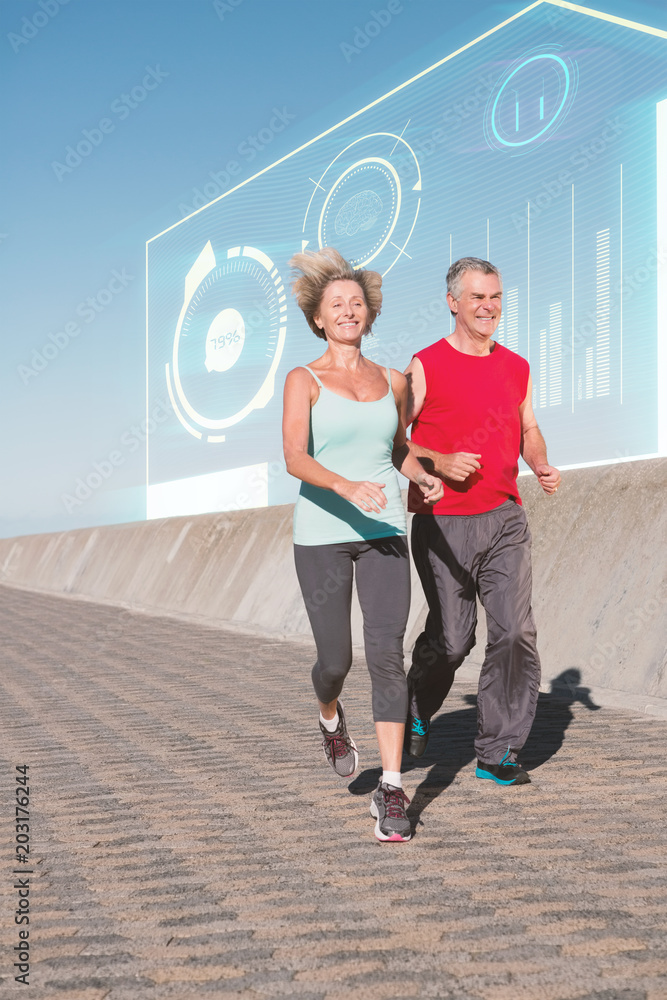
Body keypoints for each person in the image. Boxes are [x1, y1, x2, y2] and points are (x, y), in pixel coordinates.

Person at [283, 247, 443, 841]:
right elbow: (295, 456)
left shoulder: (392, 380)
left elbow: (396, 446)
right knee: (335, 661)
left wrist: (419, 473)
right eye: (336, 305)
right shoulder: (304, 379)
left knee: (385, 655)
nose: (348, 311)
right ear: (319, 318)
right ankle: (329, 717)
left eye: (357, 303)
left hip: (382, 535)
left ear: (368, 314)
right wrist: (346, 486)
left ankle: (392, 789)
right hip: (323, 536)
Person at [403, 256, 561, 785]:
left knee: (515, 631)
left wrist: (537, 461)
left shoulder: (516, 366)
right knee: (452, 641)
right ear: (453, 302)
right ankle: (416, 705)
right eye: (477, 297)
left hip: (504, 518)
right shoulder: (424, 364)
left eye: (495, 297)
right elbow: (393, 439)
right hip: (442, 520)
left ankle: (499, 749)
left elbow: (529, 426)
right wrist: (440, 462)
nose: (488, 307)